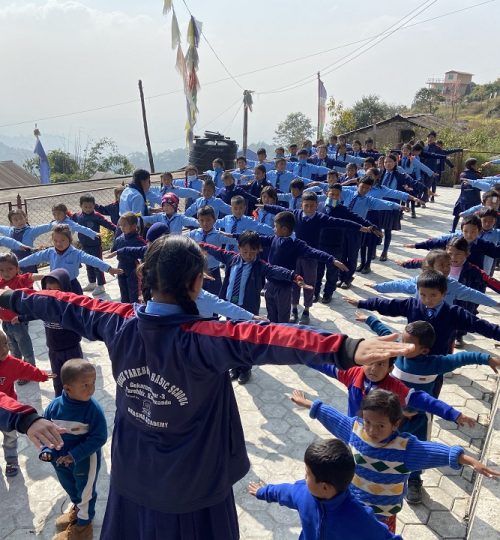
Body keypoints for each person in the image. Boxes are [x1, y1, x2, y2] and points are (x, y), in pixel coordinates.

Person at [0, 235, 414, 540]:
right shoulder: (204, 337)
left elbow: (59, 304)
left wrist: (11, 298)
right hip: (193, 485)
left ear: (143, 276)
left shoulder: (116, 320)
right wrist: (344, 346)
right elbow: (269, 338)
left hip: (135, 472)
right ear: (198, 283)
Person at [292, 389, 499, 532]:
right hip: (352, 505)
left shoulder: (405, 449)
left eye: (380, 425)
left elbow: (437, 452)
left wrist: (470, 461)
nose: (372, 430)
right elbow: (333, 417)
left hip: (383, 514)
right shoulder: (355, 430)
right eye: (368, 422)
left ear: (395, 423)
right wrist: (311, 405)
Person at [357, 314, 500, 503]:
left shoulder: (435, 363)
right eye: (401, 340)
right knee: (384, 443)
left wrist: (488, 359)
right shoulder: (397, 352)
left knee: (417, 450)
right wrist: (369, 318)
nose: (402, 345)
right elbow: (384, 331)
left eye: (408, 344)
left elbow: (462, 358)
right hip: (390, 417)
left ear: (424, 350)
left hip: (418, 419)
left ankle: (415, 481)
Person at [201, 231, 312, 383]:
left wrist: (294, 277)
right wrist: (199, 244)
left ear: (258, 249)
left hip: (247, 310)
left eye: (252, 251)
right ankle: (235, 366)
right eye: (245, 251)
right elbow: (216, 250)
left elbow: (276, 270)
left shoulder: (260, 266)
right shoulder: (231, 258)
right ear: (238, 248)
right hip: (229, 308)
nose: (248, 255)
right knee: (232, 339)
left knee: (245, 341)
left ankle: (245, 369)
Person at [249, 438, 400, 540]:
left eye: (308, 474)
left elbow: (384, 537)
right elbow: (284, 492)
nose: (304, 477)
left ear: (325, 487)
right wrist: (263, 492)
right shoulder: (303, 493)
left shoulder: (358, 516)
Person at [262, 191, 368, 323]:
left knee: (309, 284)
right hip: (294, 258)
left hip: (310, 257)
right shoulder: (295, 215)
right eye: (306, 206)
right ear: (302, 205)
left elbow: (340, 222)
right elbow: (280, 209)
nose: (309, 209)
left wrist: (359, 227)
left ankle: (306, 311)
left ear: (317, 206)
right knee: (294, 283)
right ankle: (294, 310)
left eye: (312, 206)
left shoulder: (320, 218)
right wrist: (265, 206)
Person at [346, 270, 500, 356]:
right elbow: (388, 305)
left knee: (430, 396)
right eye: (423, 294)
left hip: (437, 360)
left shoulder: (454, 313)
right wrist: (363, 303)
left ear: (444, 293)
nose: (427, 300)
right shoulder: (411, 304)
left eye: (433, 295)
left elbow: (480, 325)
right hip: (410, 355)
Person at [39, 360, 107, 540]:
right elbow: (47, 431)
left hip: (84, 460)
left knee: (85, 493)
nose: (91, 388)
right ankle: (77, 511)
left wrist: (74, 455)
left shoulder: (93, 410)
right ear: (68, 388)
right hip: (60, 461)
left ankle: (83, 528)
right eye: (85, 385)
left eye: (93, 382)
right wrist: (47, 450)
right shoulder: (54, 407)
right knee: (70, 487)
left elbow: (99, 437)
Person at [0, 330, 53, 476]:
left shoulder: (11, 363)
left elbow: (26, 369)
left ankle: (11, 461)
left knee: (10, 437)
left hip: (10, 410)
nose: (4, 349)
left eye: (5, 343)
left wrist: (41, 375)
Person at [18, 225, 122, 295]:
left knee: (77, 308)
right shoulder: (50, 252)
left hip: (72, 285)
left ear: (70, 240)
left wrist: (108, 268)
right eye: (55, 241)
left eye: (63, 240)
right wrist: (18, 264)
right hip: (54, 285)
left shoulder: (76, 253)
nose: (59, 243)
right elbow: (34, 258)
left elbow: (93, 260)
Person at [40, 269, 85, 396]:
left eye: (57, 290)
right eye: (48, 289)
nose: (52, 293)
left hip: (72, 350)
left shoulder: (71, 306)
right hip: (54, 351)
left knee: (76, 379)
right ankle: (60, 403)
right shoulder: (44, 305)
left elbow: (83, 319)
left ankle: (79, 403)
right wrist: (20, 317)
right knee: (58, 380)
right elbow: (31, 311)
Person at [0, 253, 43, 377]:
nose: (5, 273)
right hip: (6, 323)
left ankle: (29, 372)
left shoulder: (19, 280)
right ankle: (17, 368)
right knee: (13, 347)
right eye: (1, 270)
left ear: (17, 268)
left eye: (10, 269)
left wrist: (48, 276)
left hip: (18, 322)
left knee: (25, 348)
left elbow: (31, 277)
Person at [72, 194, 117, 296]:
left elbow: (108, 224)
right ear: (81, 206)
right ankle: (92, 282)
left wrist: (117, 230)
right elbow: (68, 221)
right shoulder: (77, 216)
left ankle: (101, 285)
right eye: (85, 207)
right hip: (84, 245)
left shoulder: (96, 216)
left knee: (97, 265)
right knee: (88, 265)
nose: (88, 209)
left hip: (95, 246)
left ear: (94, 206)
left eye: (91, 207)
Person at [0, 391, 64, 451]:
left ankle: (12, 461)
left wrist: (27, 419)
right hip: (8, 414)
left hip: (9, 413)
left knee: (10, 440)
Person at [188, 206, 229, 295]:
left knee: (215, 297)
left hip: (213, 271)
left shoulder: (218, 235)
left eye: (208, 220)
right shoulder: (193, 233)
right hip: (197, 272)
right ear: (198, 220)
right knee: (195, 296)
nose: (205, 223)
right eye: (201, 220)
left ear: (214, 220)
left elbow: (235, 241)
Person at [111, 212, 147, 303]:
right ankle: (125, 310)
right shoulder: (119, 238)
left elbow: (145, 254)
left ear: (134, 226)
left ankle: (134, 311)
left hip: (133, 269)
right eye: (120, 225)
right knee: (123, 291)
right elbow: (114, 249)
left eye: (124, 225)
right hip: (121, 267)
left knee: (134, 293)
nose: (122, 227)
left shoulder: (139, 240)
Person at [451, 158, 483, 233]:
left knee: (458, 215)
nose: (476, 166)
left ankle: (453, 230)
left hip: (463, 197)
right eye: (475, 165)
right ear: (472, 165)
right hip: (474, 198)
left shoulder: (463, 174)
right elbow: (479, 187)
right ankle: (469, 231)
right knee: (472, 217)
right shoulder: (476, 175)